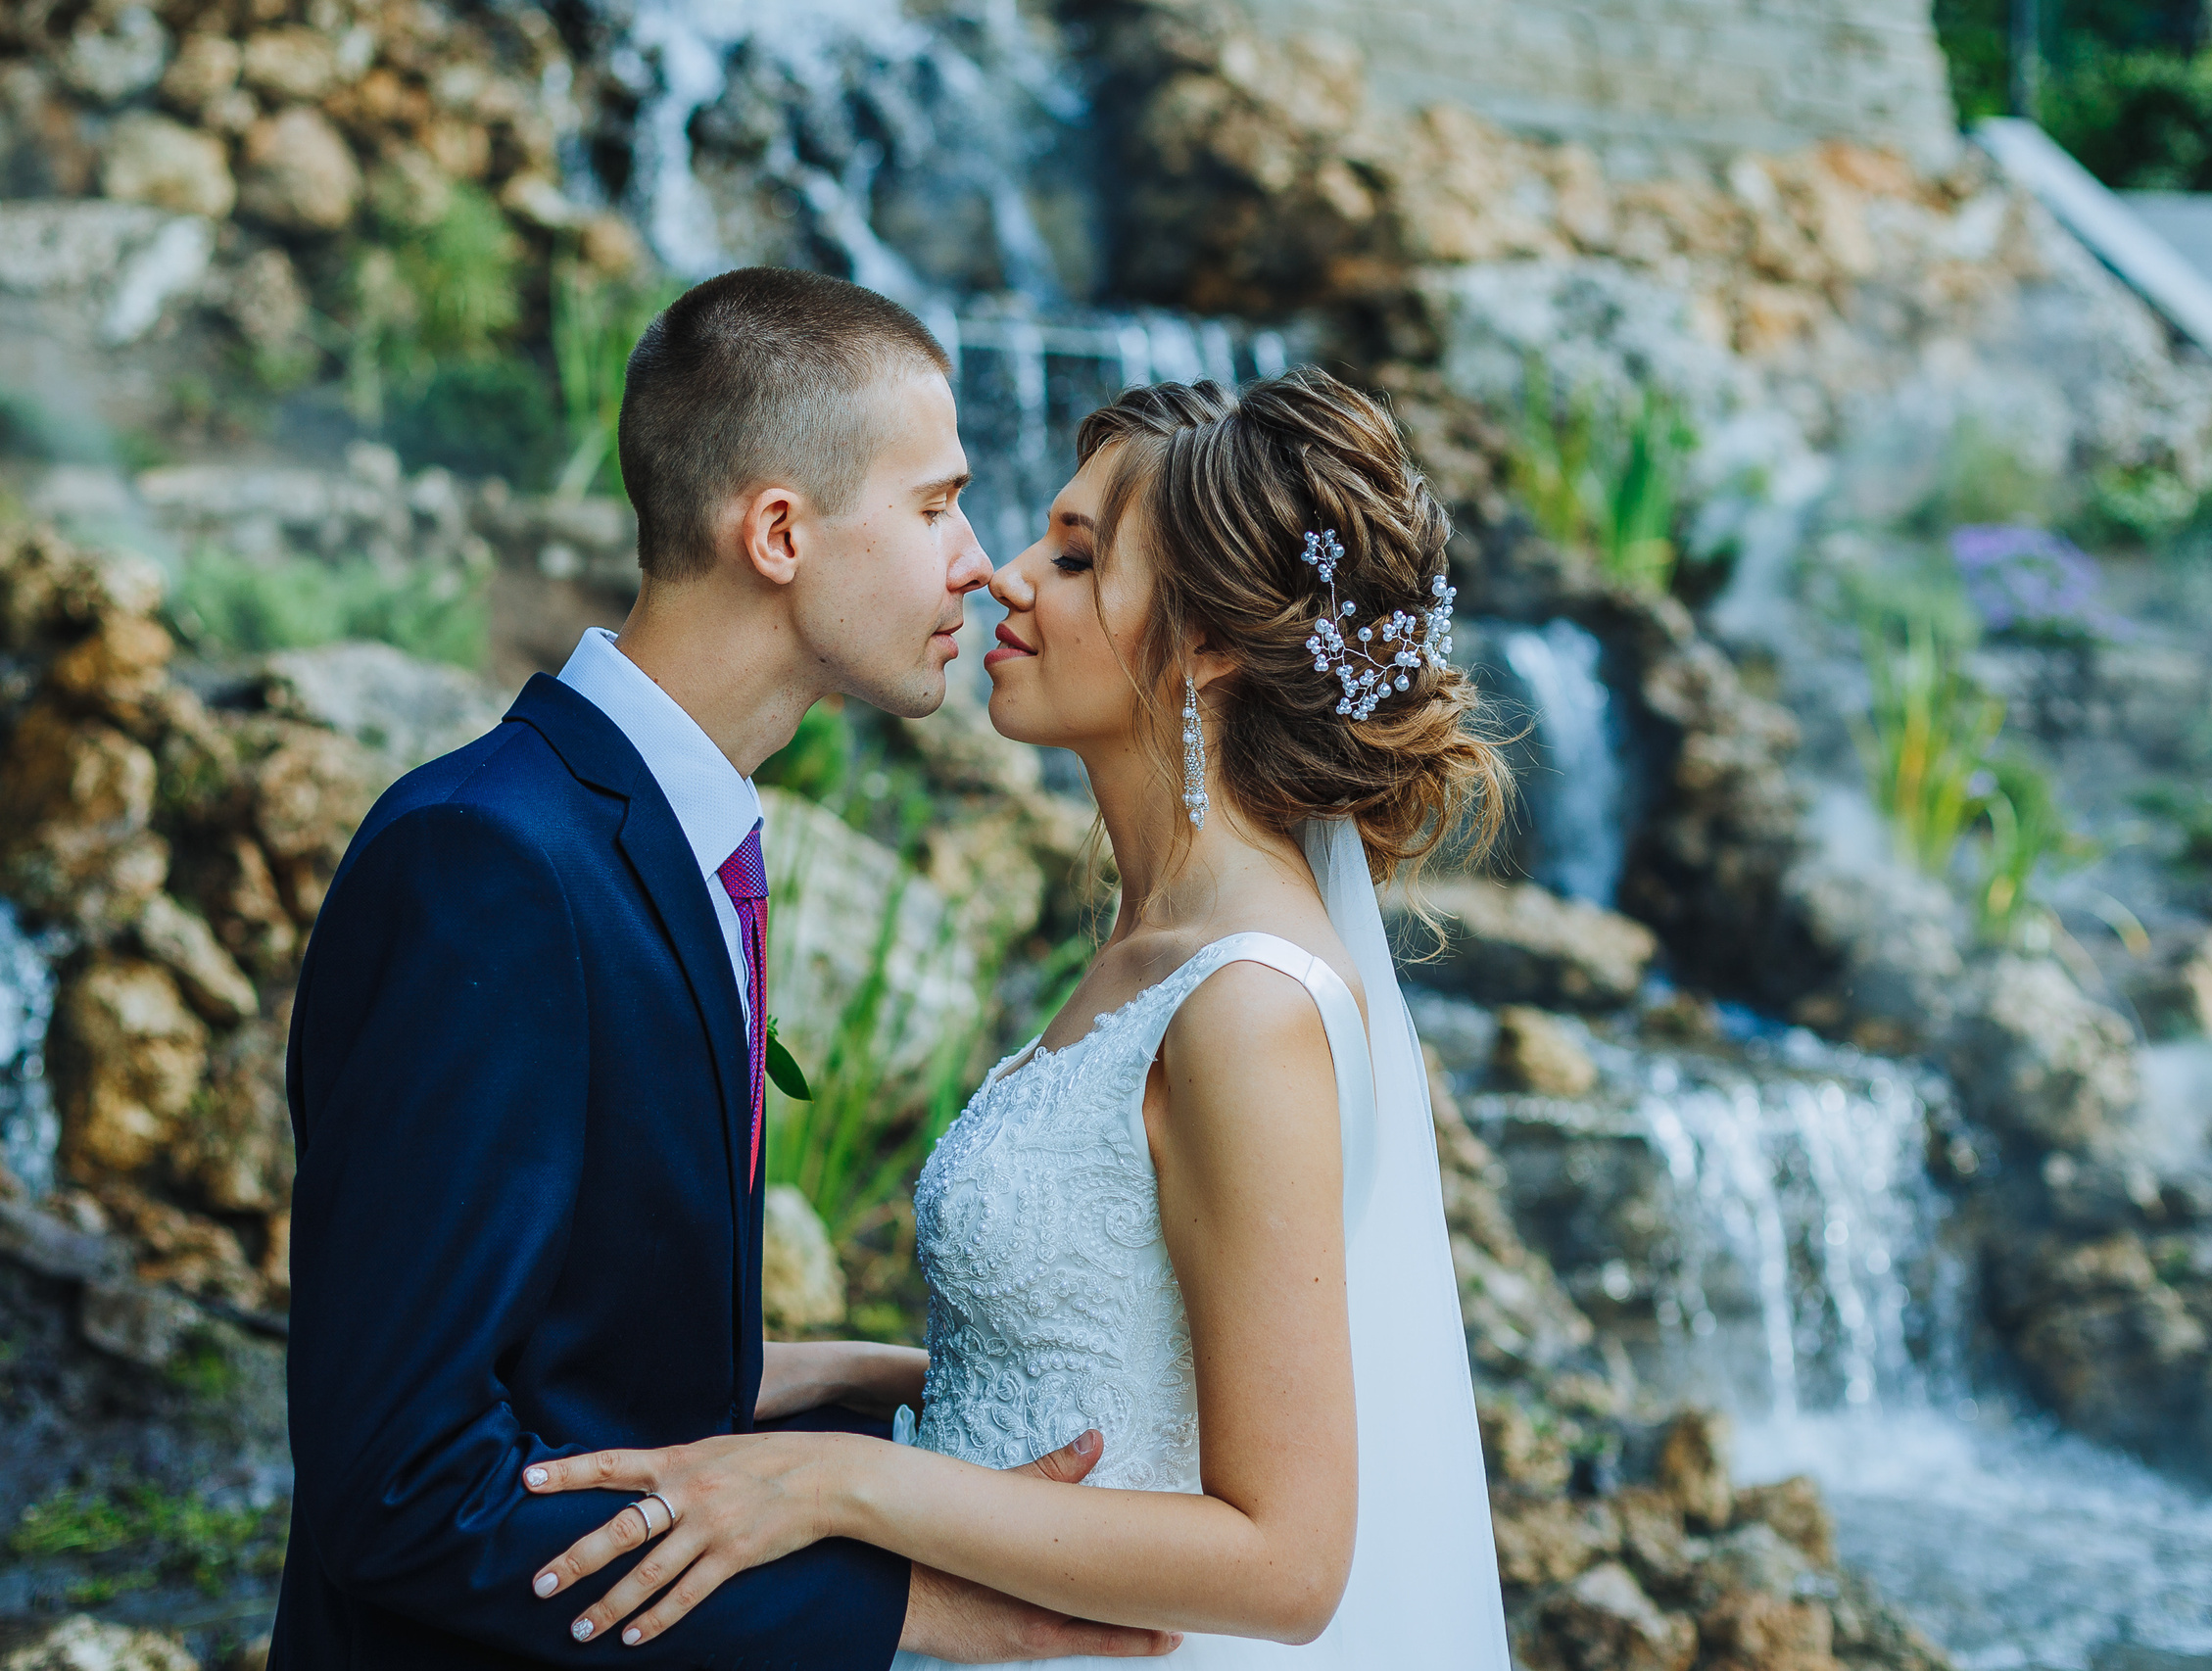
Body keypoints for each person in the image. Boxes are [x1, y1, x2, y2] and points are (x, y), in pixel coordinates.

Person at [517, 369, 1515, 1666]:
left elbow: (1288, 1560)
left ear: (1210, 640)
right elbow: (1115, 1346)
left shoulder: (1249, 1002)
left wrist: (830, 1483)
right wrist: (853, 1373)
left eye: (1079, 555)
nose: (1004, 577)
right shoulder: (1151, 949)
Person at [271, 267, 1179, 1669]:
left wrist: (942, 1393)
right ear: (777, 531)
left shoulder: (679, 846)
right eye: (936, 505)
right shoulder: (487, 868)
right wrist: (919, 1607)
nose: (977, 563)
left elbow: (597, 1367)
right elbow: (398, 1488)